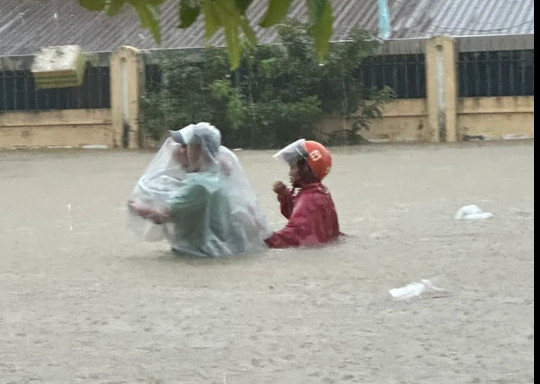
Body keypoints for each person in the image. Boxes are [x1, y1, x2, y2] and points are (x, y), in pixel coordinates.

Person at [128, 122, 271, 257]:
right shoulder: (220, 173)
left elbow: (161, 215)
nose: (178, 150)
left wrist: (136, 205)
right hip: (222, 253)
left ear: (200, 150)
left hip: (200, 255)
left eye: (186, 146)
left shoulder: (199, 186)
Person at [264, 138, 340, 248]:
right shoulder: (319, 192)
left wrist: (265, 238)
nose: (290, 173)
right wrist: (285, 195)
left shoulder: (308, 199)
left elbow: (293, 236)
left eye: (293, 167)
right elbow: (303, 218)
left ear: (305, 169)